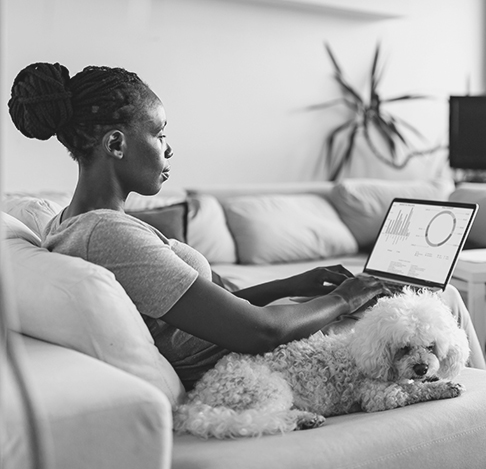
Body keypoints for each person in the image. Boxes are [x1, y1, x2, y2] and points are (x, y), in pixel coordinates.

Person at [8, 63, 485, 390]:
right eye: (159, 133)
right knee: (439, 298)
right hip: (249, 362)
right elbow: (256, 332)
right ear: (115, 143)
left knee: (412, 294)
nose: (168, 149)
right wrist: (347, 296)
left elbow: (204, 305)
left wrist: (293, 283)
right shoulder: (107, 235)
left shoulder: (68, 223)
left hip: (235, 342)